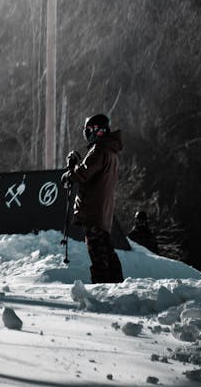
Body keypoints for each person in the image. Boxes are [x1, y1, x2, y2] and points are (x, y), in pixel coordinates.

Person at [62, 113, 124, 284]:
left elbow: (83, 174)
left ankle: (102, 288)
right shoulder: (110, 151)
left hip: (93, 210)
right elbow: (92, 174)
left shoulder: (99, 149)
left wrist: (71, 169)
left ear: (97, 130)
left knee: (98, 253)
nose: (87, 134)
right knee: (106, 250)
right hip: (102, 210)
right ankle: (117, 284)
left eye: (89, 130)